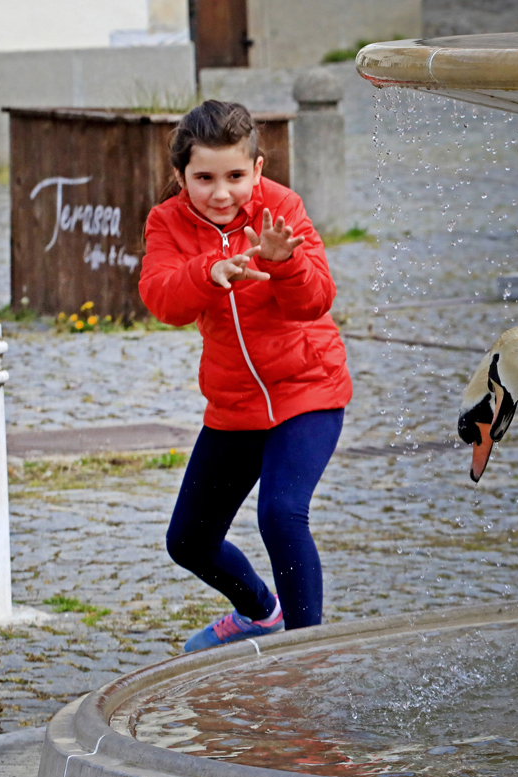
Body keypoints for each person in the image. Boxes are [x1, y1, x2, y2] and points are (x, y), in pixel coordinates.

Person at [140, 100, 352, 651]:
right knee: (188, 541)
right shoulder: (166, 222)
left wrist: (284, 262)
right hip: (235, 406)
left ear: (257, 170)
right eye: (203, 177)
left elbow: (316, 301)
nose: (221, 192)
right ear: (180, 176)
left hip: (308, 392)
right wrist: (206, 273)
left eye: (235, 176)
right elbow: (163, 300)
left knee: (281, 514)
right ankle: (260, 613)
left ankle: (307, 660)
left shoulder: (282, 208)